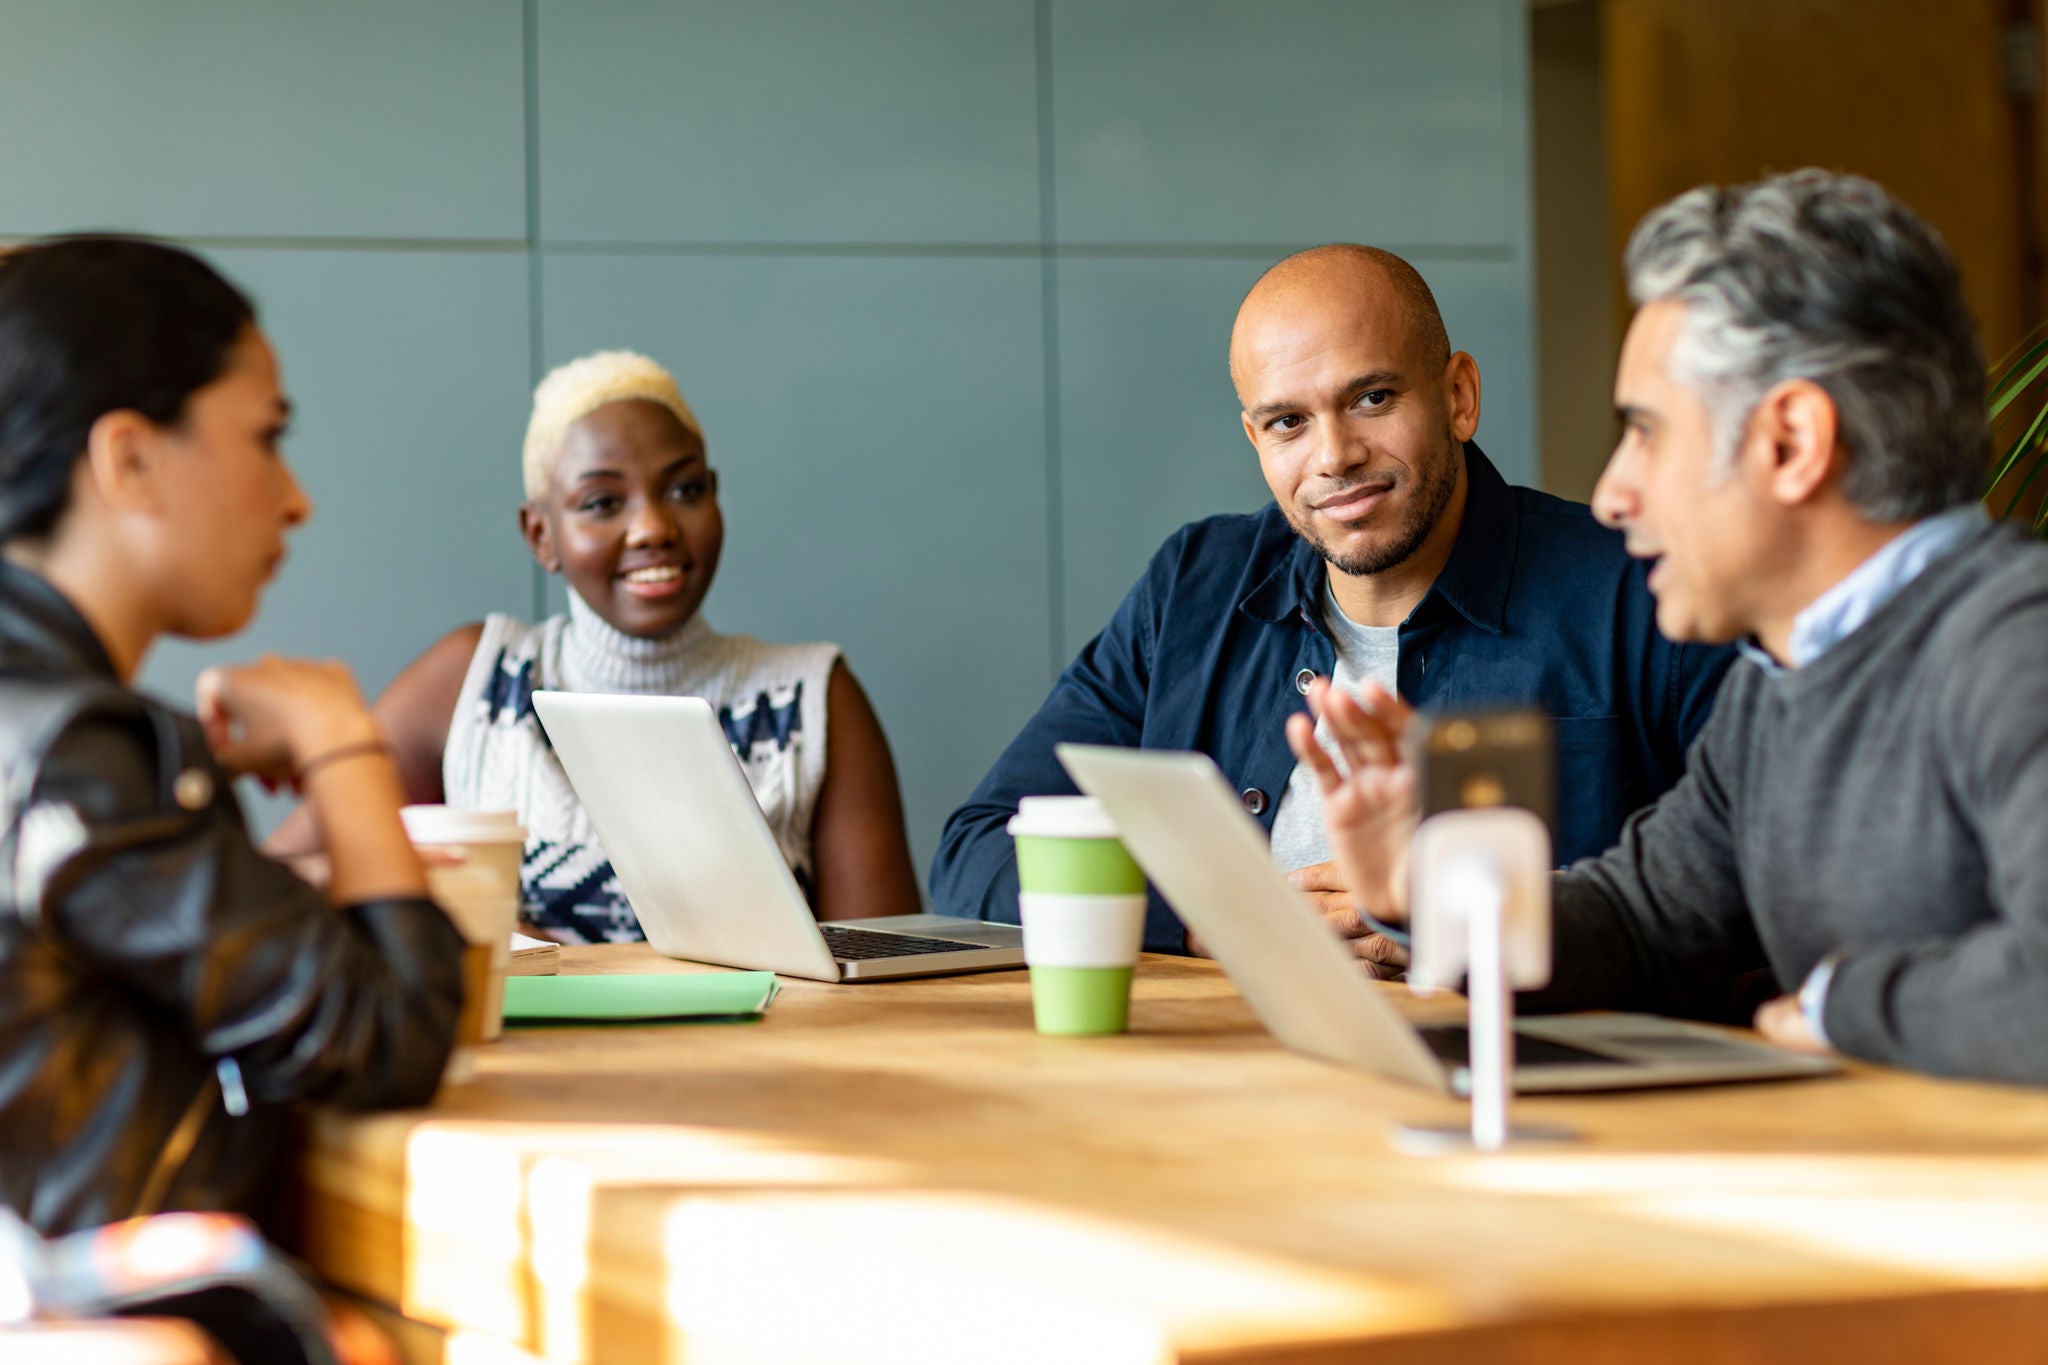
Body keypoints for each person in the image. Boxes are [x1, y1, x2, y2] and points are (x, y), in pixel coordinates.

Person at [1295, 169, 2048, 1086]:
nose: (1612, 495)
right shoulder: (1781, 684)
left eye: (1647, 432)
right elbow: (1641, 923)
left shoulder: (2017, 643)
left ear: (1791, 443)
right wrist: (1434, 886)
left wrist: (1834, 1006)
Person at [932, 245, 1732, 960]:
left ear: (1458, 396)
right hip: (1215, 1084)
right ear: (1256, 439)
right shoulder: (1193, 586)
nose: (1335, 456)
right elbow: (974, 856)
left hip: (1509, 1085)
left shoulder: (1642, 588)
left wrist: (1444, 916)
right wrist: (1213, 915)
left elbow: (1752, 893)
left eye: (1373, 398)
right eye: (1288, 421)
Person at [0, 237, 466, 1235]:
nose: (294, 498)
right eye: (266, 437)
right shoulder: (79, 753)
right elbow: (393, 1033)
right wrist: (343, 744)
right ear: (129, 459)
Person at [272, 350, 921, 943]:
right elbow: (276, 881)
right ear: (541, 536)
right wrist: (454, 915)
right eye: (603, 501)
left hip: (750, 1070)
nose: (653, 527)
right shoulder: (474, 679)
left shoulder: (812, 698)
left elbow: (890, 988)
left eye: (684, 489)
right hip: (518, 1071)